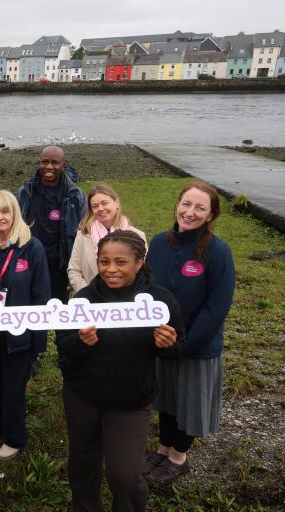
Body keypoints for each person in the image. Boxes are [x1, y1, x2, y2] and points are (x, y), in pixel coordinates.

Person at [57, 231, 185, 512]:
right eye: (104, 262)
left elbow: (177, 350)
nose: (110, 269)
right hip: (83, 397)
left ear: (139, 262)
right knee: (82, 464)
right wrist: (80, 342)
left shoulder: (159, 302)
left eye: (120, 262)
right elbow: (62, 346)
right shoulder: (83, 299)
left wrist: (167, 345)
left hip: (131, 400)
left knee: (124, 475)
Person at [144, 181, 235, 483]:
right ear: (177, 205)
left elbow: (217, 307)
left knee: (189, 404)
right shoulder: (158, 243)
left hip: (196, 346)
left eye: (200, 208)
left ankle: (179, 458)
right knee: (168, 401)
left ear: (210, 215)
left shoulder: (218, 253)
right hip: (161, 340)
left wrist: (184, 343)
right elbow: (146, 289)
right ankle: (163, 447)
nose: (190, 212)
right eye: (186, 204)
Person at [0, 190, 51, 461]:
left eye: (5, 211)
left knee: (13, 389)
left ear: (15, 213)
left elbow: (42, 295)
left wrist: (38, 341)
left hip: (20, 335)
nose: (0, 217)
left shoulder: (32, 247)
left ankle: (15, 437)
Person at [17, 145, 87, 302]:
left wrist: (77, 271)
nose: (49, 166)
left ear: (64, 165)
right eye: (44, 162)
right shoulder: (25, 193)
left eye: (54, 162)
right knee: (31, 315)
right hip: (30, 265)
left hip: (60, 267)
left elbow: (85, 234)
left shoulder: (75, 196)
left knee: (60, 317)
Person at [67, 184, 146, 294]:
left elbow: (142, 271)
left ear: (116, 203)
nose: (100, 209)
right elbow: (74, 270)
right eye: (95, 206)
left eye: (104, 203)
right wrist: (87, 294)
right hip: (93, 301)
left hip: (127, 301)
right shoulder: (83, 236)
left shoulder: (138, 236)